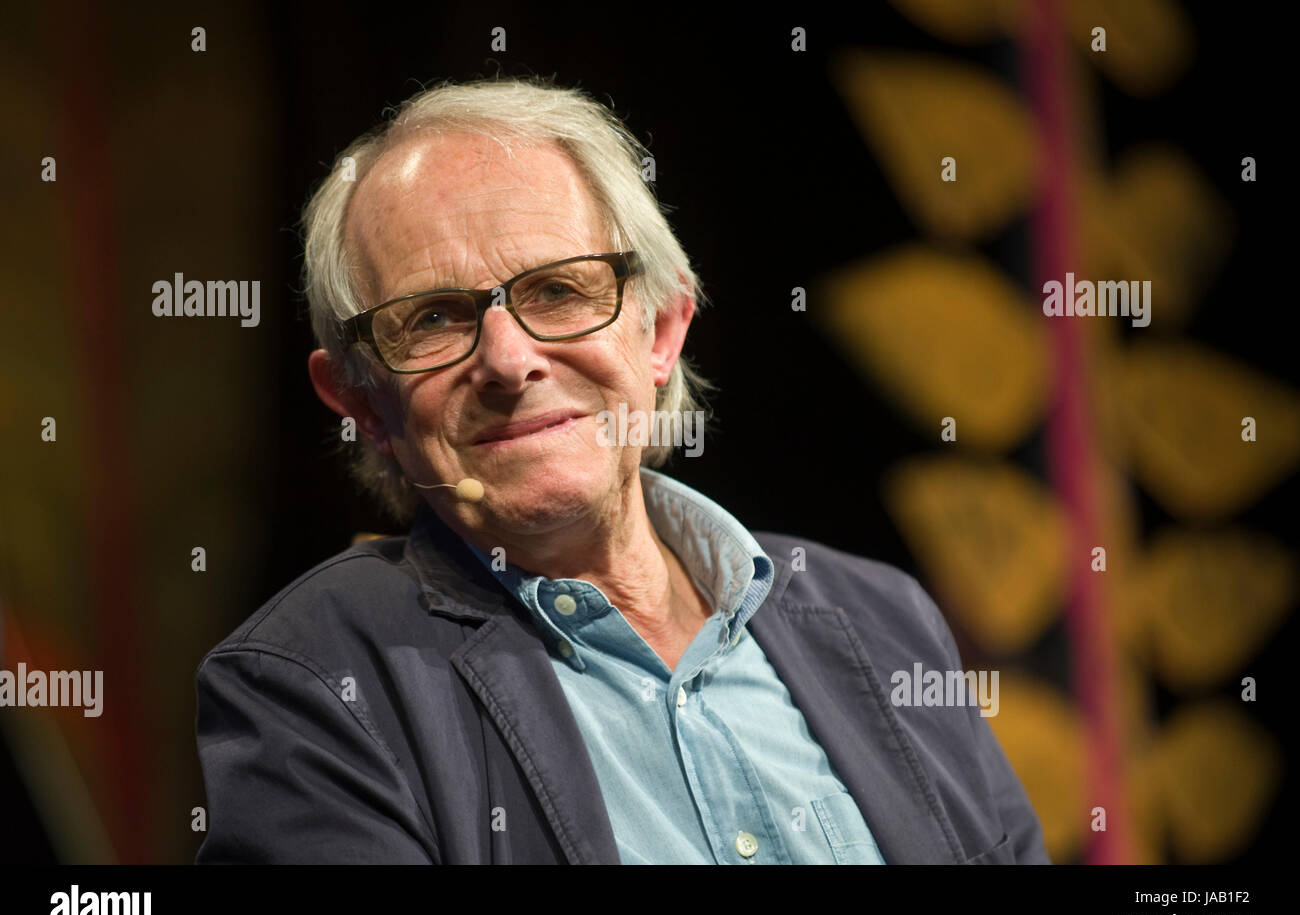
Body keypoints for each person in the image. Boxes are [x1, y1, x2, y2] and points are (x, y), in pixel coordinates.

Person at [194, 76, 1049, 865]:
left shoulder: (882, 618)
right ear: (361, 401)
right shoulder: (308, 683)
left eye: (559, 291)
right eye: (433, 318)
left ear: (665, 329)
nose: (507, 359)